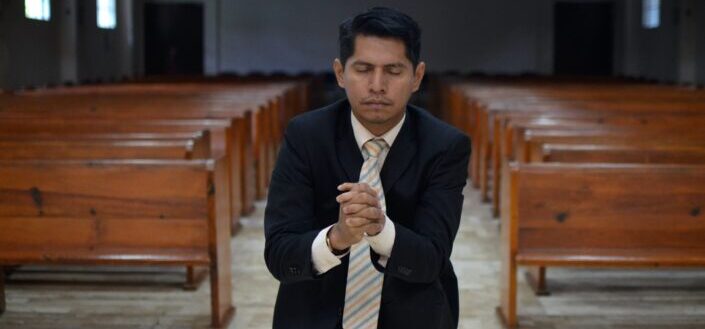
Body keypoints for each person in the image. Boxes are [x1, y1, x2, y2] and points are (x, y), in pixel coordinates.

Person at [264, 7, 470, 329]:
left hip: (413, 311)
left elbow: (432, 258)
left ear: (416, 77)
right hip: (313, 308)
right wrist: (338, 237)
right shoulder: (306, 136)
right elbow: (279, 253)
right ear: (340, 73)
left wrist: (379, 228)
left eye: (393, 70)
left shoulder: (445, 146)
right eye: (363, 69)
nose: (377, 85)